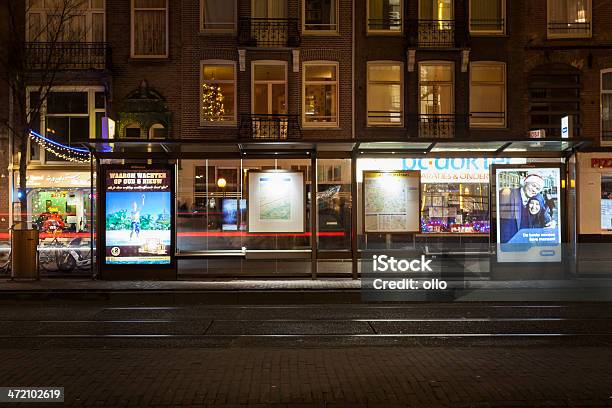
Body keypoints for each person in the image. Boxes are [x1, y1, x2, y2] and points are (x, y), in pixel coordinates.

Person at [498, 173, 552, 243]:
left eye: (537, 189)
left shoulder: (531, 199)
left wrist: (550, 222)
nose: (534, 190)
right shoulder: (508, 193)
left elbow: (541, 211)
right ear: (525, 183)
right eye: (533, 185)